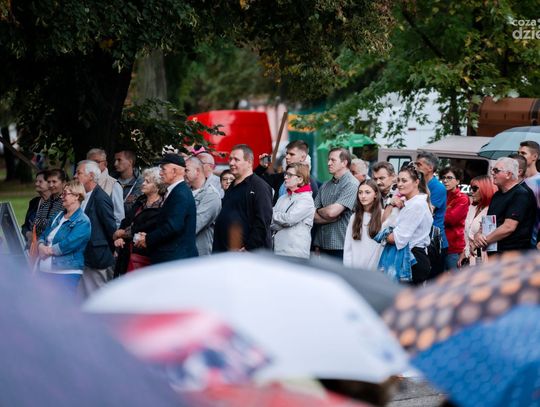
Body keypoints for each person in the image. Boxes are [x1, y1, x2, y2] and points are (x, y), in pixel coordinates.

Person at [135, 154, 198, 263]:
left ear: (174, 171)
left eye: (163, 169)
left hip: (176, 259)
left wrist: (148, 239)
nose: (160, 173)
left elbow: (172, 227)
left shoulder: (180, 193)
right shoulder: (177, 191)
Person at [213, 144, 273, 252]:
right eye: (230, 159)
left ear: (249, 162)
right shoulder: (232, 186)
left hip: (246, 256)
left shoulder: (260, 187)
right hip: (224, 252)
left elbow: (263, 222)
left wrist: (249, 248)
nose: (231, 163)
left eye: (236, 159)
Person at [37, 181, 91, 296]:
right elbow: (43, 234)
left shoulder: (83, 221)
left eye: (65, 194)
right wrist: (40, 245)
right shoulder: (58, 216)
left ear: (76, 196)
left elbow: (69, 244)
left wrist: (47, 250)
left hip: (66, 273)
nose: (62, 197)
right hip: (45, 271)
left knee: (61, 305)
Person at [474, 157, 535, 254]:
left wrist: (482, 242)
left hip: (512, 255)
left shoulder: (520, 194)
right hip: (495, 253)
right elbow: (488, 221)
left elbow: (509, 227)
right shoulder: (497, 195)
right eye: (492, 170)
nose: (492, 173)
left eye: (496, 170)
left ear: (508, 174)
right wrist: (478, 235)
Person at [74, 160, 117, 297]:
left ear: (91, 176)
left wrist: (109, 251)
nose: (75, 176)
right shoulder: (84, 196)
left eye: (79, 173)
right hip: (84, 256)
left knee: (98, 297)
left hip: (97, 256)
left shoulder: (100, 197)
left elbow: (111, 228)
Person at [384, 164, 433, 284]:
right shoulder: (408, 202)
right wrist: (391, 202)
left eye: (404, 180)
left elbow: (397, 238)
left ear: (416, 182)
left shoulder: (416, 205)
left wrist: (381, 234)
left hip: (413, 259)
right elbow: (384, 220)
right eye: (398, 180)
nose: (399, 184)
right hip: (408, 257)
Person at [113, 167, 165, 271]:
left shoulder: (161, 206)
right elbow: (127, 220)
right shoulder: (141, 200)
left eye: (147, 181)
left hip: (145, 256)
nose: (143, 183)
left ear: (157, 186)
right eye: (144, 180)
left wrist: (121, 233)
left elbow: (146, 227)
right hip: (127, 252)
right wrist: (120, 238)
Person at [313, 148, 359, 259]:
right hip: (322, 245)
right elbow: (311, 215)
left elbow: (332, 212)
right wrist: (327, 217)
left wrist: (319, 211)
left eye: (333, 160)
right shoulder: (325, 185)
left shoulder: (352, 184)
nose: (328, 163)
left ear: (344, 163)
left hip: (341, 246)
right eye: (328, 160)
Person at [271, 162, 315, 259]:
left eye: (290, 175)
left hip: (295, 254)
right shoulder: (282, 198)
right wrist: (282, 221)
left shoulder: (306, 199)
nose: (285, 177)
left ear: (300, 179)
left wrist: (274, 215)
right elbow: (270, 222)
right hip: (277, 250)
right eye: (285, 174)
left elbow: (289, 220)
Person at [256, 140, 319, 205]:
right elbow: (254, 181)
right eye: (287, 153)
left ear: (303, 157)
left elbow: (314, 208)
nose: (287, 157)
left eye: (292, 154)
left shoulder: (311, 184)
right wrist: (262, 167)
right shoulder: (281, 177)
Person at [415, 151, 447, 277]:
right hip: (422, 238)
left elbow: (427, 211)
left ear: (430, 168)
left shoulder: (438, 187)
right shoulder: (418, 184)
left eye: (419, 164)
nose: (416, 167)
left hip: (434, 242)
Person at [343, 179, 383, 270]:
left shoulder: (383, 216)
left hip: (375, 270)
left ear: (376, 194)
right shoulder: (354, 217)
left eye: (367, 192)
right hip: (355, 269)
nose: (363, 196)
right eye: (360, 192)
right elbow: (348, 246)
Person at [185, 157, 222, 256]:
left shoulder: (211, 195)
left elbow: (194, 225)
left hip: (199, 255)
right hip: (183, 252)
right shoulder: (185, 191)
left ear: (197, 171)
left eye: (187, 170)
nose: (184, 173)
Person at [457, 175, 496, 267]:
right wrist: (464, 252)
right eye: (471, 188)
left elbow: (490, 241)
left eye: (474, 189)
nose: (471, 192)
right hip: (469, 257)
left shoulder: (491, 210)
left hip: (484, 259)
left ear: (485, 189)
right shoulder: (472, 208)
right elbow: (467, 235)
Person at [440, 167, 469, 270]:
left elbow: (451, 219)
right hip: (440, 245)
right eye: (443, 177)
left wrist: (437, 214)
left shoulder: (462, 198)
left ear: (457, 181)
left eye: (449, 178)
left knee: (455, 277)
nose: (445, 180)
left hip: (454, 247)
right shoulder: (442, 195)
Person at [86, 148, 125, 228]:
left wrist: (113, 233)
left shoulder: (113, 184)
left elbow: (119, 217)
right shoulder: (82, 182)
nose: (92, 165)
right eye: (90, 163)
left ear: (105, 163)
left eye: (97, 162)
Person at [32, 169, 68, 239]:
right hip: (41, 242)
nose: (51, 185)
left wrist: (42, 222)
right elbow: (34, 225)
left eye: (54, 182)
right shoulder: (45, 203)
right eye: (49, 182)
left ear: (63, 183)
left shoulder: (66, 202)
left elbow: (60, 226)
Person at [518, 141, 540, 246]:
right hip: (516, 241)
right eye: (518, 153)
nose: (519, 156)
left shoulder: (538, 181)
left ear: (534, 157)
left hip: (533, 241)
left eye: (523, 153)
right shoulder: (516, 181)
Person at [22, 170, 51, 244]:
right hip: (31, 246)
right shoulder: (34, 202)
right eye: (36, 181)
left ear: (50, 184)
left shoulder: (57, 204)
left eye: (40, 182)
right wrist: (28, 234)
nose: (36, 184)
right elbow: (25, 226)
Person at [114, 149, 143, 213]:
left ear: (130, 162)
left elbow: (134, 208)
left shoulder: (140, 182)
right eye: (115, 160)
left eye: (119, 160)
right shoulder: (111, 178)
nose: (115, 164)